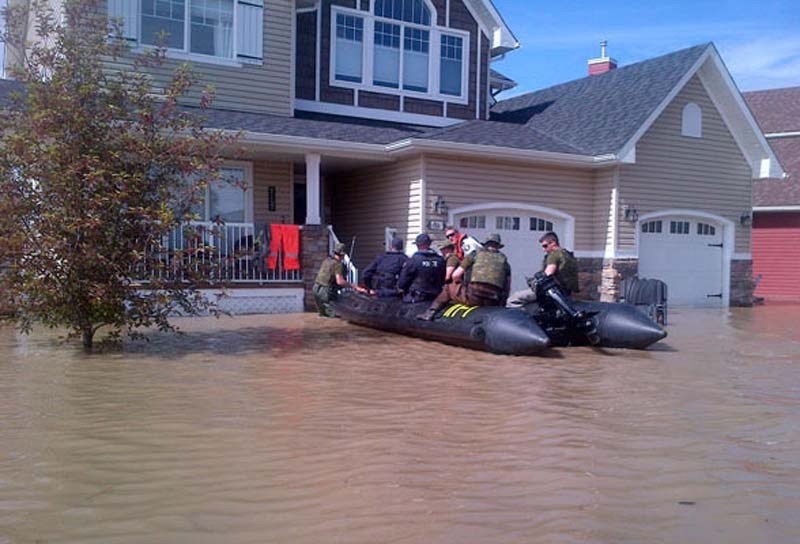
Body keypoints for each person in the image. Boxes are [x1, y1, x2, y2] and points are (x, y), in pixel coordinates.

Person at [418, 233, 511, 320]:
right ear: (498, 246)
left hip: (474, 298)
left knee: (449, 287)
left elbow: (455, 275)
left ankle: (430, 313)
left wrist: (460, 283)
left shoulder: (474, 254)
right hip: (492, 301)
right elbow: (507, 287)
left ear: (485, 244)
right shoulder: (505, 262)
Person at [507, 231, 580, 307]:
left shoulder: (554, 254)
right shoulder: (568, 254)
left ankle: (523, 318)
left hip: (554, 292)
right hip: (567, 292)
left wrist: (534, 282)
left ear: (553, 243)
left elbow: (547, 275)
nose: (543, 249)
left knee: (514, 299)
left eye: (545, 246)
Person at [312, 242, 363, 317]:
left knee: (323, 315)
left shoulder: (327, 261)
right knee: (336, 315)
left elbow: (328, 276)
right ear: (343, 255)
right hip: (325, 292)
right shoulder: (338, 264)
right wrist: (355, 287)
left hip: (316, 289)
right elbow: (340, 282)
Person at [397, 233, 446, 303]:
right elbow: (443, 279)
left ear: (417, 245)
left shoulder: (413, 260)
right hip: (435, 299)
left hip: (416, 299)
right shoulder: (440, 260)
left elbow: (402, 283)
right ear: (429, 244)